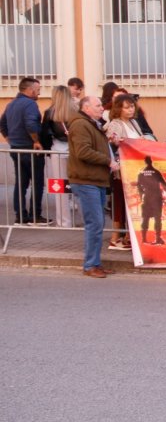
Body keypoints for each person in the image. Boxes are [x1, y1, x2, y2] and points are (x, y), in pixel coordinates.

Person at [69, 96, 119, 278]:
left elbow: (94, 146)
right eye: (98, 105)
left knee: (97, 223)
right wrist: (108, 161)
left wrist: (109, 142)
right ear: (86, 108)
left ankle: (95, 263)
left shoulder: (92, 124)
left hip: (95, 180)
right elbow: (83, 152)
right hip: (86, 180)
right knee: (95, 223)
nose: (101, 108)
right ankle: (90, 265)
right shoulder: (80, 124)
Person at [1, 77, 45, 224]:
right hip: (30, 149)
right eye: (38, 90)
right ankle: (35, 215)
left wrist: (10, 140)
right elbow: (31, 124)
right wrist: (36, 141)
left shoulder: (11, 104)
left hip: (16, 149)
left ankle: (20, 216)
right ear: (30, 90)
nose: (39, 93)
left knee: (21, 184)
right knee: (37, 183)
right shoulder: (30, 104)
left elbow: (2, 124)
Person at [104, 93, 145, 250]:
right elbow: (114, 140)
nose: (130, 110)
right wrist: (133, 142)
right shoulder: (115, 124)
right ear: (119, 109)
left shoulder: (134, 122)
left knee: (133, 202)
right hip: (121, 169)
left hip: (135, 167)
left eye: (132, 106)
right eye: (126, 107)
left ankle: (128, 236)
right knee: (120, 202)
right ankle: (116, 237)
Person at [40, 85, 76, 227]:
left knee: (60, 186)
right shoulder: (76, 111)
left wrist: (46, 149)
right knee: (78, 184)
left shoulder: (50, 112)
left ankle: (64, 221)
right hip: (75, 150)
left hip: (58, 150)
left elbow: (45, 134)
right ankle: (84, 220)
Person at [135, 157, 166, 246]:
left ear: (145, 162)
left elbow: (139, 186)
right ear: (151, 162)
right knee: (157, 218)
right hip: (156, 197)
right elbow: (163, 184)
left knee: (145, 218)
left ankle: (144, 239)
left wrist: (141, 196)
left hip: (147, 197)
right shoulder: (156, 172)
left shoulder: (141, 173)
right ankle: (158, 238)